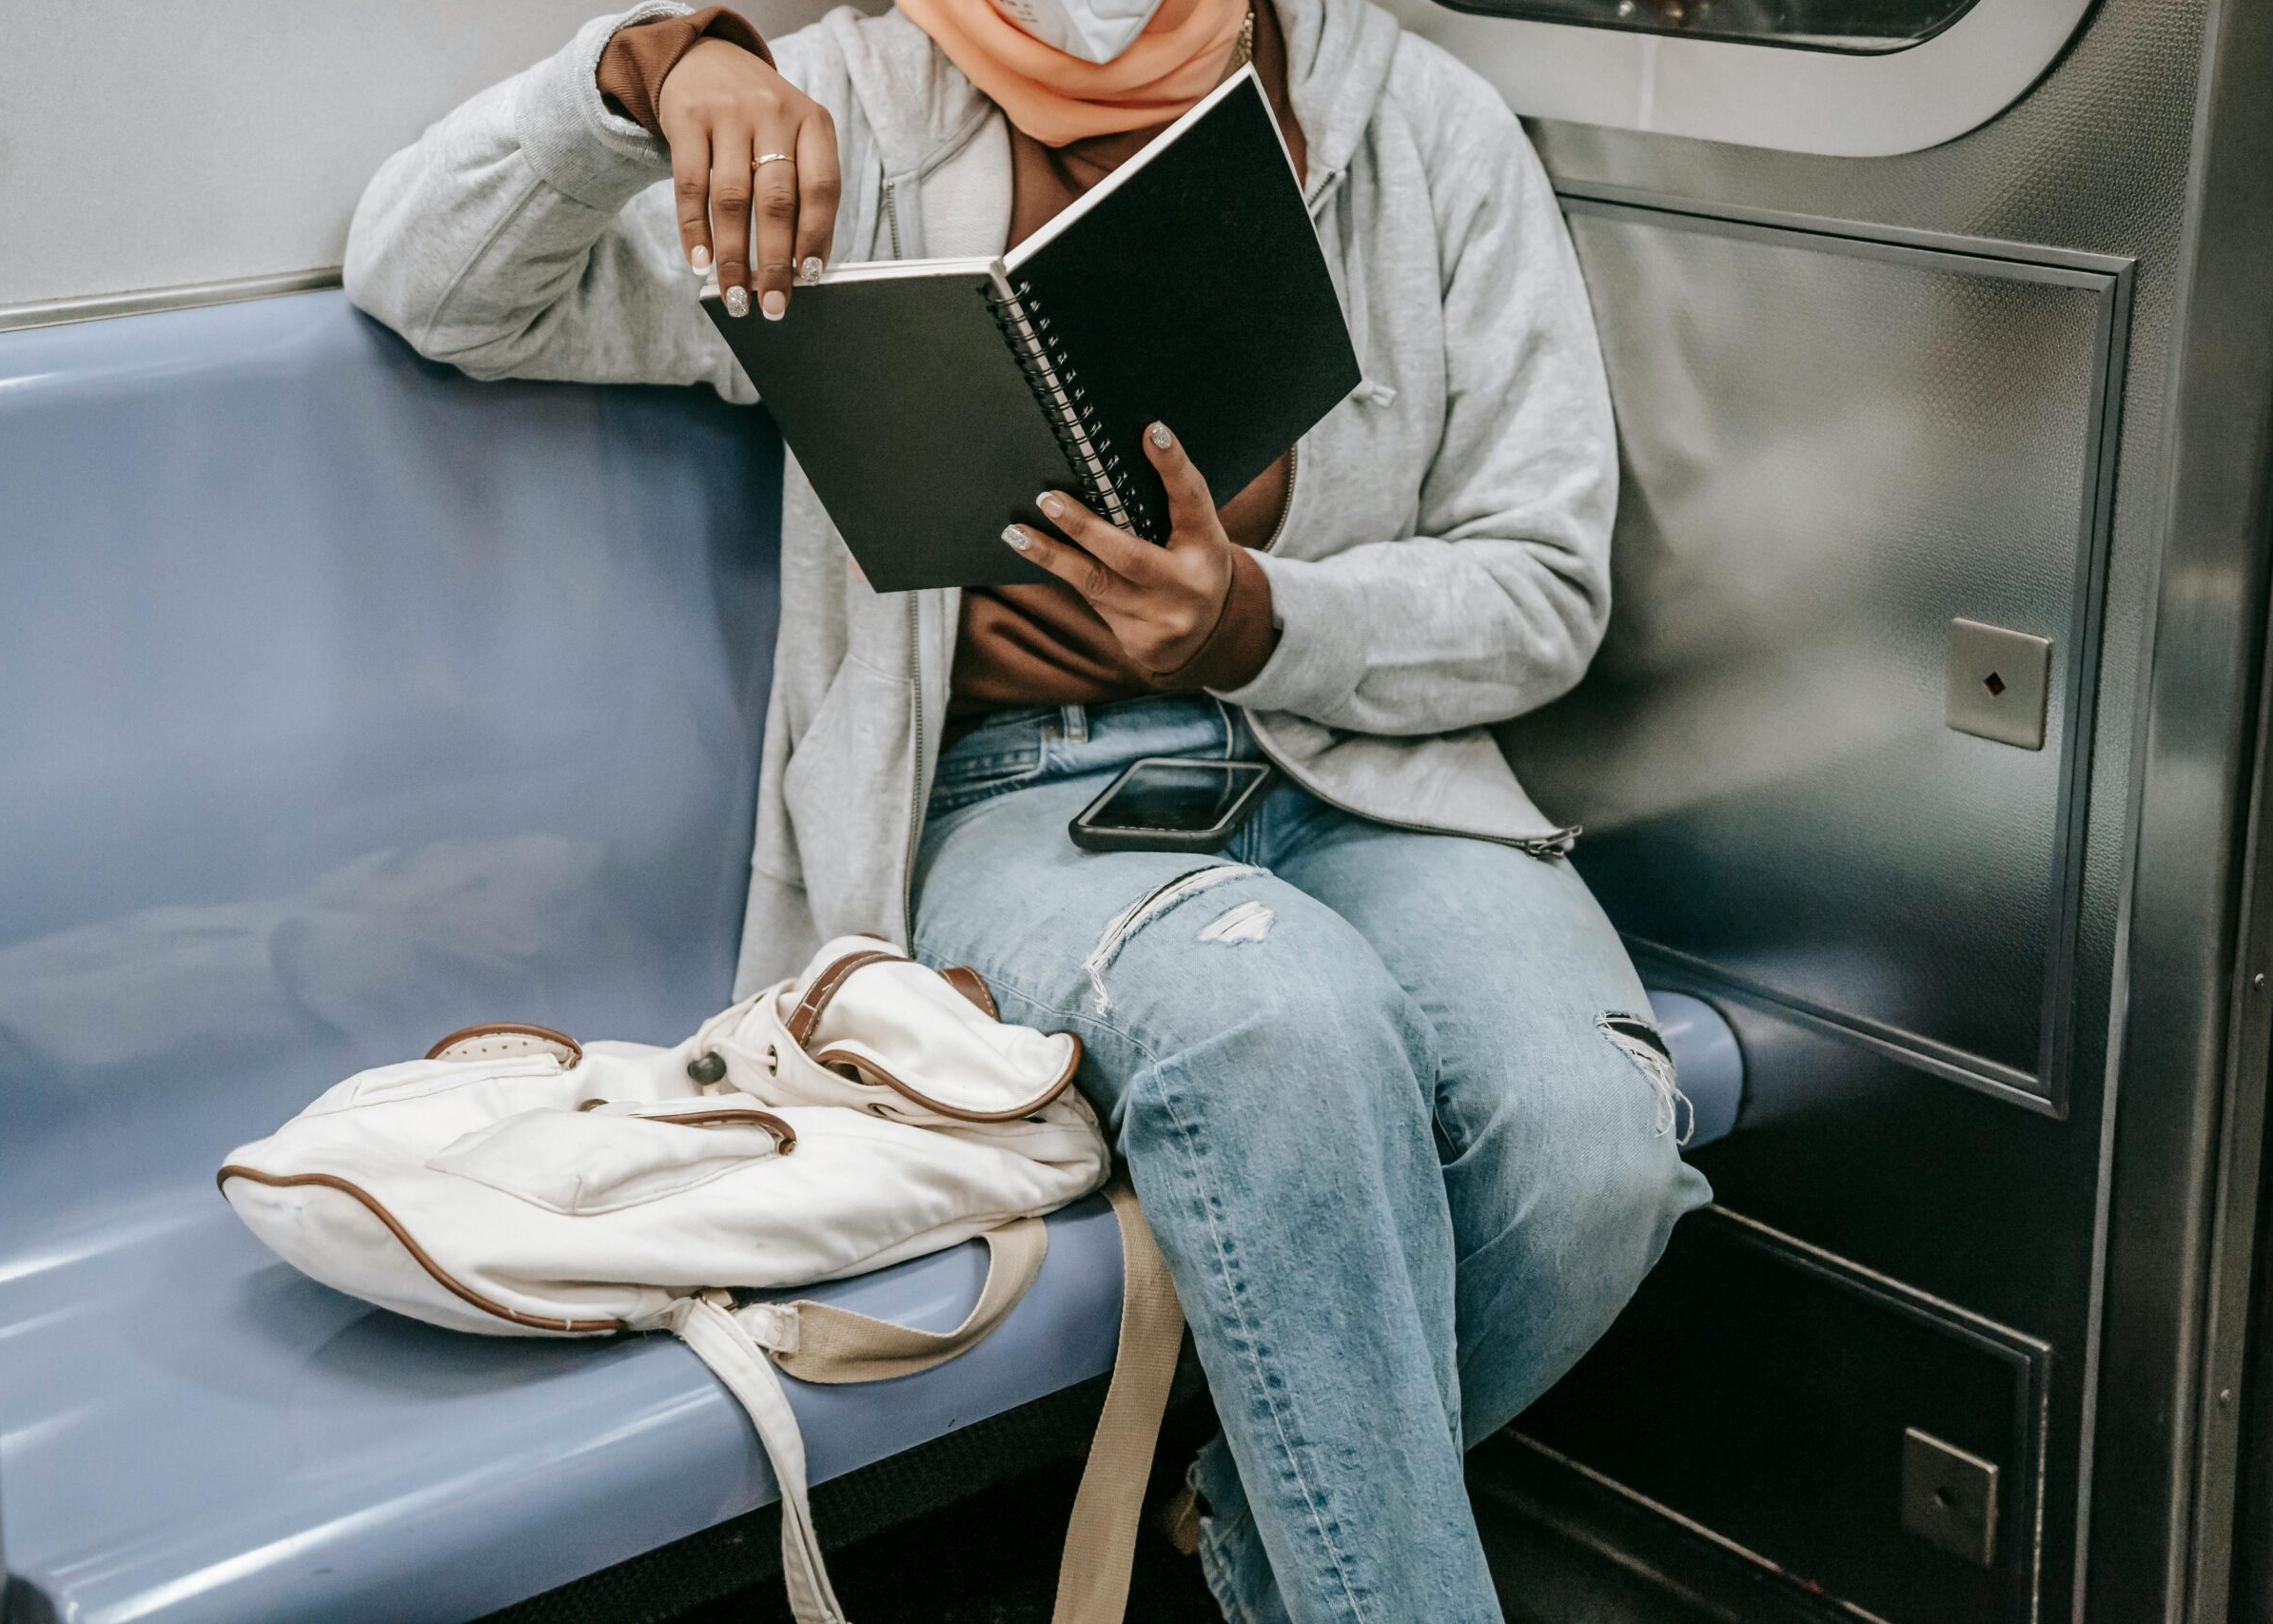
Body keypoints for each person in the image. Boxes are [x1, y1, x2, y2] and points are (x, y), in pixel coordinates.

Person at [344, 0, 1711, 1612]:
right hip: (1019, 796)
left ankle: (1262, 1534)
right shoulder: (838, 105)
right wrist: (647, 71)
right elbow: (437, 288)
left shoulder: (1417, 126)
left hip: (1368, 777)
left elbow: (1543, 585)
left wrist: (1255, 621)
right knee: (1284, 1021)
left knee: (1593, 1143)